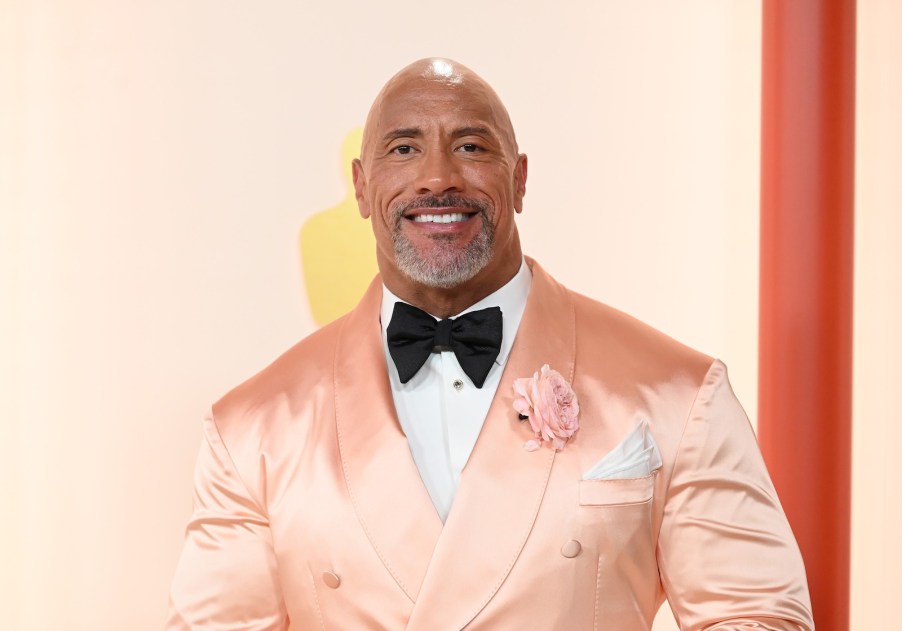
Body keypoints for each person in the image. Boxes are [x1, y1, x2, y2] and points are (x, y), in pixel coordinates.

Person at [166, 58, 813, 630]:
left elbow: (757, 614)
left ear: (520, 177)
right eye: (403, 149)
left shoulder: (678, 392)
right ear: (362, 186)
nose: (437, 178)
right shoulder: (250, 427)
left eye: (471, 146)